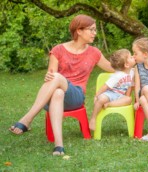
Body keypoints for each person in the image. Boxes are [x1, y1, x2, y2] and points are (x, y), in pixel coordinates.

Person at [9, 14, 114, 155]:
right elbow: (51, 76)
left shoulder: (94, 53)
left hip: (75, 96)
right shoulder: (58, 50)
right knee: (58, 91)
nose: (95, 33)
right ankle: (59, 146)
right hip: (52, 98)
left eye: (95, 30)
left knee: (57, 78)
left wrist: (133, 65)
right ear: (79, 31)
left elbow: (112, 67)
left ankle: (28, 119)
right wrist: (49, 76)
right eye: (92, 30)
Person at [89, 49, 135, 131]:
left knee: (129, 99)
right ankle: (93, 118)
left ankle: (109, 104)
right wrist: (97, 96)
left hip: (121, 96)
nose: (133, 57)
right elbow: (105, 86)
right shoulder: (117, 75)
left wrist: (126, 96)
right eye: (131, 57)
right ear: (127, 64)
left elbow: (129, 86)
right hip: (111, 93)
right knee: (101, 99)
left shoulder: (132, 72)